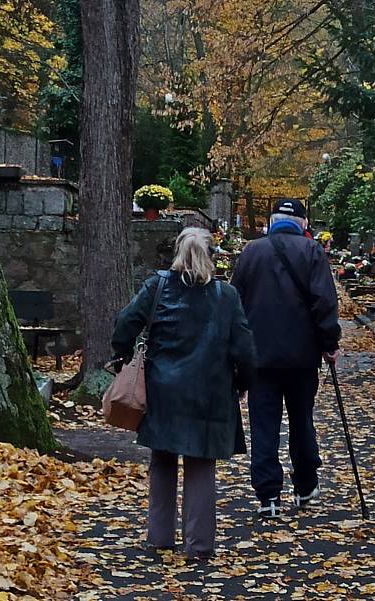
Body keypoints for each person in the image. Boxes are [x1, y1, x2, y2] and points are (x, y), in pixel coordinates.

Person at [111, 227, 256, 559]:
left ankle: (159, 537)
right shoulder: (226, 296)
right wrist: (244, 382)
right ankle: (199, 545)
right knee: (201, 464)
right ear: (211, 256)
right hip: (210, 391)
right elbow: (245, 349)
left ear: (177, 251)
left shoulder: (157, 286)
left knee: (162, 460)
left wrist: (121, 356)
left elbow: (125, 324)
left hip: (163, 389)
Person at [232, 199, 341, 517]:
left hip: (260, 357)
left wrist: (238, 348)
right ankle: (305, 485)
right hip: (302, 357)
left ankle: (268, 496)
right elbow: (324, 302)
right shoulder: (312, 252)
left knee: (263, 424)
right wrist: (329, 342)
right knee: (302, 421)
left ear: (271, 221)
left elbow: (234, 300)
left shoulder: (251, 252)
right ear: (303, 224)